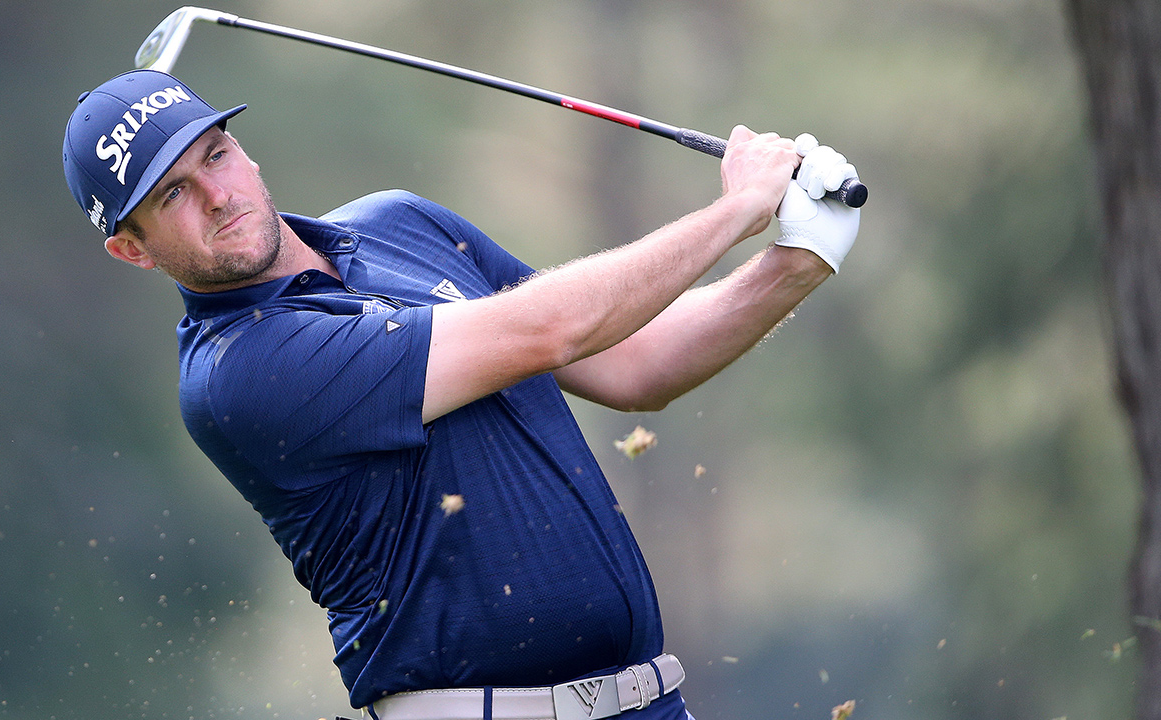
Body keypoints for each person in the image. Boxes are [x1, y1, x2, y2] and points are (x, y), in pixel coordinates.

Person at [62, 69, 860, 720]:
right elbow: (546, 332)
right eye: (171, 195)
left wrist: (796, 261)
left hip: (646, 701)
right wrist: (737, 210)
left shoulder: (397, 223)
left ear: (245, 152)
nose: (216, 193)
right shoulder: (240, 371)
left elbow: (633, 363)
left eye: (215, 154)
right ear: (132, 251)